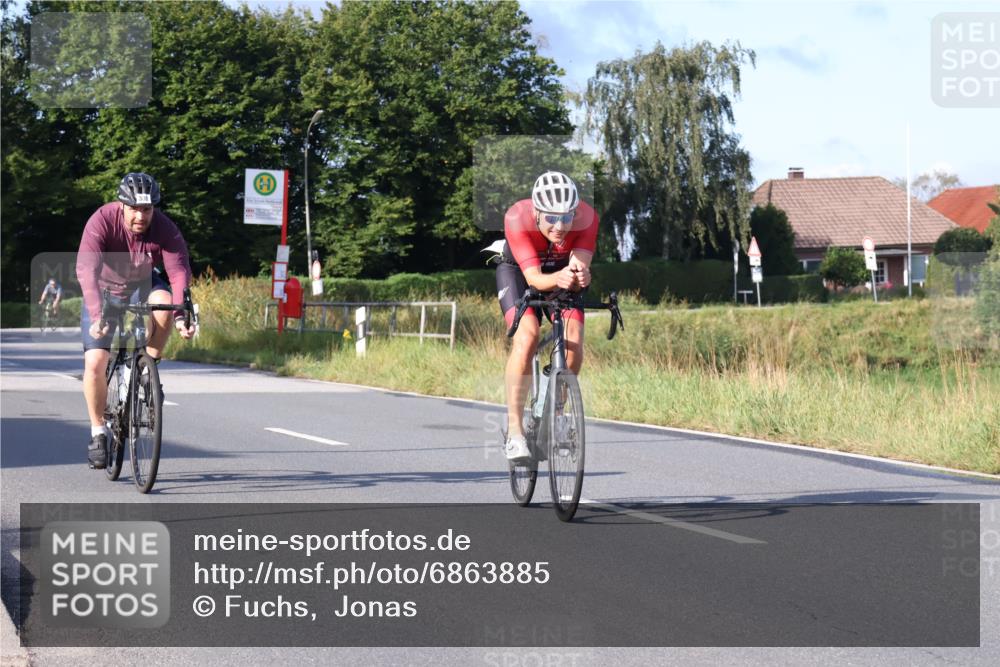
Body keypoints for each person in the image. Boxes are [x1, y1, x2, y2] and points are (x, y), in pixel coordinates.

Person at [75, 172, 195, 469]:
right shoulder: (101, 220)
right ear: (122, 206)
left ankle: (147, 367)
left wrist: (181, 316)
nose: (141, 216)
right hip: (104, 290)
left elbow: (178, 272)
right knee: (95, 362)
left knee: (165, 302)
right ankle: (98, 432)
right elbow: (86, 269)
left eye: (147, 209)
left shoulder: (164, 227)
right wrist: (97, 313)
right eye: (134, 209)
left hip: (143, 284)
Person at [495, 171, 598, 461]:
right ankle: (515, 434)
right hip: (519, 272)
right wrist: (563, 277)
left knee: (574, 340)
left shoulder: (588, 218)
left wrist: (581, 275)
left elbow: (577, 268)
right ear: (537, 212)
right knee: (527, 338)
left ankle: (555, 413)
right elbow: (536, 279)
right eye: (551, 218)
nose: (561, 226)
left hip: (561, 272)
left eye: (567, 217)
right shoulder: (517, 217)